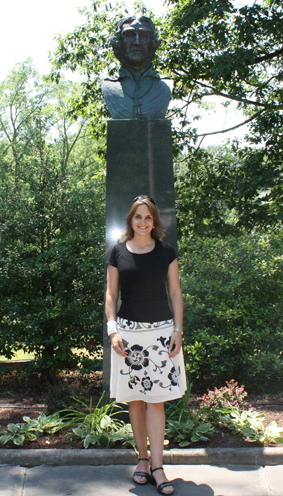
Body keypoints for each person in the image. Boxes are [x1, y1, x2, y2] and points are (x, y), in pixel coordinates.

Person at [105, 195, 186, 495]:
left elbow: (175, 292)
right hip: (127, 335)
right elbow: (111, 295)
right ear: (131, 220)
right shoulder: (118, 251)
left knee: (156, 401)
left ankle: (158, 466)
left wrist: (177, 330)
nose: (142, 222)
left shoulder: (166, 252)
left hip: (161, 335)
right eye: (138, 217)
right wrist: (113, 330)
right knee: (135, 401)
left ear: (154, 221)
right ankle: (141, 460)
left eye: (148, 217)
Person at [101, 15, 172, 120]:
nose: (137, 42)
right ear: (119, 42)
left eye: (144, 35)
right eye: (129, 35)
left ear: (152, 43)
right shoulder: (108, 86)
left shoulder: (165, 86)